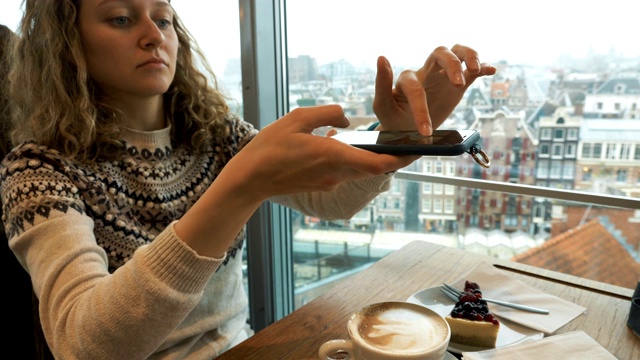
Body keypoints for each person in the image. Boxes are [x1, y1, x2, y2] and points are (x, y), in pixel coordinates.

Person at [1, 0, 496, 358]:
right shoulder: (38, 172)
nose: (154, 34)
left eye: (165, 17)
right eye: (121, 18)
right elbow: (83, 344)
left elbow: (332, 201)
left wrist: (397, 135)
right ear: (66, 46)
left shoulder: (216, 135)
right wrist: (238, 187)